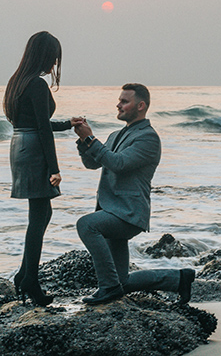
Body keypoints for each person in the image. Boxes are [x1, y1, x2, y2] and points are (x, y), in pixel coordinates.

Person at [75, 84, 195, 306]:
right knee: (122, 282)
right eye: (119, 100)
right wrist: (84, 142)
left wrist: (92, 140)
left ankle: (107, 288)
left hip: (128, 213)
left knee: (86, 225)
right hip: (111, 209)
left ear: (140, 106)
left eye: (124, 101)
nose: (118, 105)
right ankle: (179, 279)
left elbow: (119, 164)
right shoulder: (115, 135)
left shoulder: (148, 138)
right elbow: (92, 163)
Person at [3, 31, 81, 307]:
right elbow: (43, 132)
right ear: (45, 57)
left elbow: (36, 123)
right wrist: (55, 168)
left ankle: (25, 274)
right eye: (53, 58)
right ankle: (29, 280)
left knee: (40, 213)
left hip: (20, 146)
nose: (55, 65)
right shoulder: (36, 84)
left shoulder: (17, 81)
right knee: (40, 215)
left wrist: (68, 124)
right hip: (34, 149)